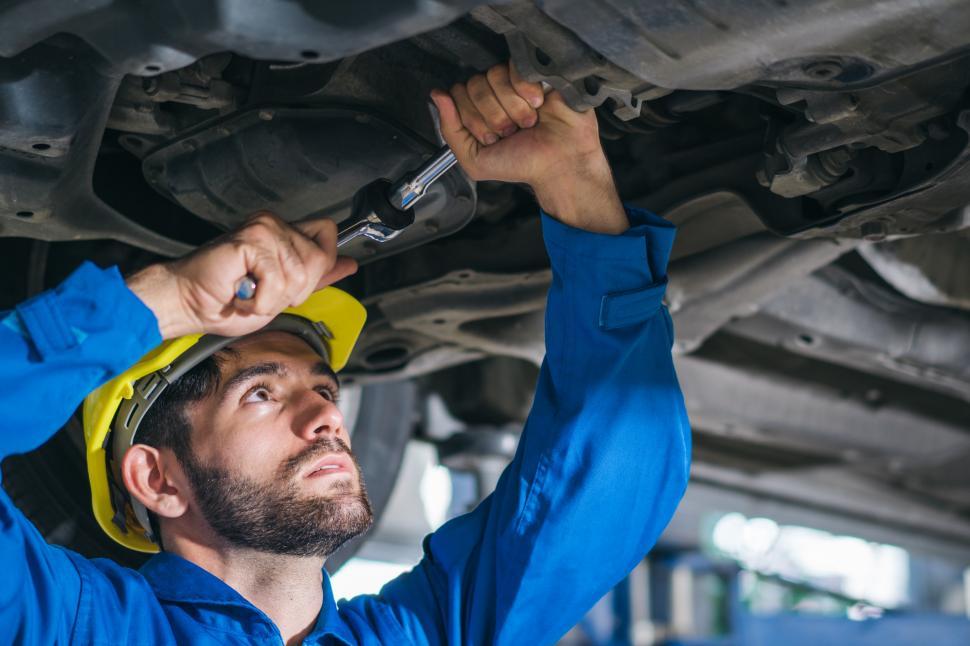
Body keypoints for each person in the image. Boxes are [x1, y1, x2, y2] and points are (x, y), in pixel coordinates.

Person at [0, 61, 690, 645]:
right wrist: (170, 300)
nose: (324, 419)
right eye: (262, 393)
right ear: (157, 480)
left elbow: (606, 480)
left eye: (324, 390)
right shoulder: (69, 624)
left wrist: (572, 184)